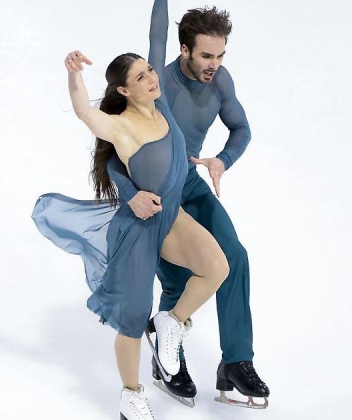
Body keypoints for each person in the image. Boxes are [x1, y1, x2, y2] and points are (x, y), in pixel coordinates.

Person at [31, 34, 228, 420]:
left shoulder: (161, 105)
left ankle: (170, 322)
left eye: (150, 70)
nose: (152, 78)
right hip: (137, 231)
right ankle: (131, 396)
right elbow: (84, 113)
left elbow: (158, 34)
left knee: (217, 267)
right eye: (140, 77)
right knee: (134, 321)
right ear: (123, 90)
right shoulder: (120, 127)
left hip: (170, 217)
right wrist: (73, 74)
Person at [107, 0, 270, 409]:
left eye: (220, 55)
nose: (215, 64)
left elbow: (242, 128)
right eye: (206, 56)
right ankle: (168, 363)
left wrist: (222, 160)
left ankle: (236, 361)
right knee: (178, 282)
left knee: (235, 257)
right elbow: (111, 156)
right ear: (184, 50)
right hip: (158, 198)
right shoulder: (154, 85)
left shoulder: (221, 81)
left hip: (191, 183)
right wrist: (131, 195)